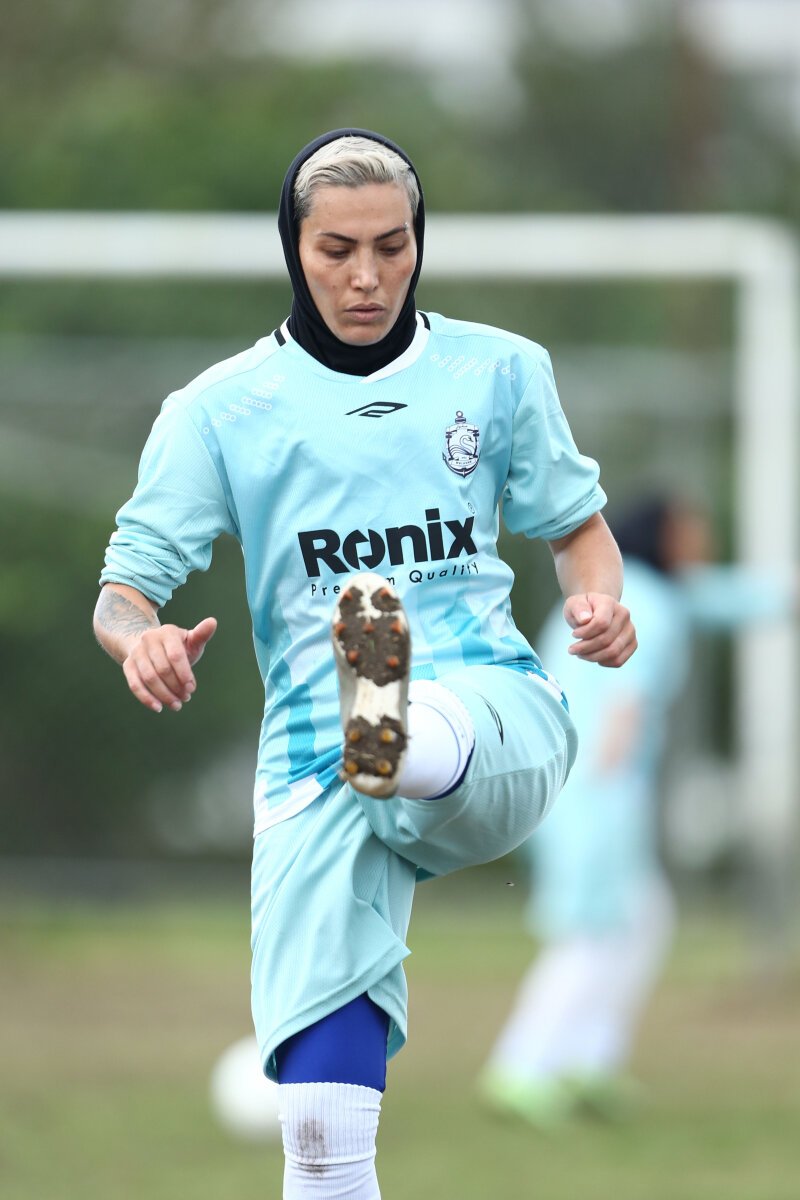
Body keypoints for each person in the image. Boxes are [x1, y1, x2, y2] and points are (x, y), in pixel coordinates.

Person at [92, 128, 636, 1198]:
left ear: (419, 241)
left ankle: (396, 727)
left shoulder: (500, 370)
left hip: (492, 714)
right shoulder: (217, 411)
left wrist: (600, 604)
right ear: (292, 249)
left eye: (392, 246)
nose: (367, 276)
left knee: (414, 726)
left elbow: (578, 532)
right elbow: (124, 591)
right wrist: (138, 637)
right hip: (313, 768)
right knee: (317, 1131)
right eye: (336, 250)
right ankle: (375, 730)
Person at [479, 494, 797, 1130]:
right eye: (692, 527)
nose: (702, 539)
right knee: (590, 934)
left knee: (645, 919)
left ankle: (589, 1064)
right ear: (663, 535)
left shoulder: (649, 593)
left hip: (578, 784)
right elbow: (623, 696)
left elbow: (730, 599)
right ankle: (519, 1071)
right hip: (596, 788)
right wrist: (608, 791)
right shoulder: (642, 603)